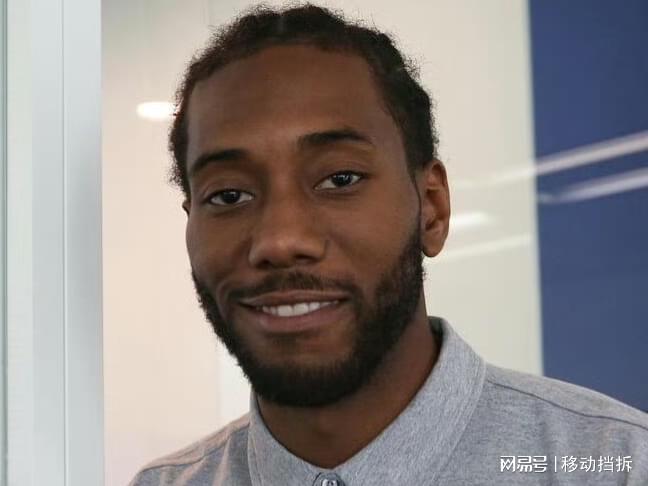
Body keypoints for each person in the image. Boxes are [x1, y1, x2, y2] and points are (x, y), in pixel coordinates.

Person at [130, 4, 648, 485]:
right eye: (229, 195)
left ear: (432, 208)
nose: (281, 240)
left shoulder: (614, 465)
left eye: (340, 179)